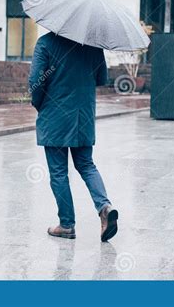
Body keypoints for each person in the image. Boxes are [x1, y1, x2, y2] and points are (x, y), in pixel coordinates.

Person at [28, 32, 118, 242]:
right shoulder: (93, 44)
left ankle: (67, 225)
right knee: (87, 164)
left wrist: (40, 104)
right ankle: (104, 207)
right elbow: (101, 78)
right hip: (83, 116)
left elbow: (35, 81)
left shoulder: (46, 42)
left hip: (55, 115)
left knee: (59, 172)